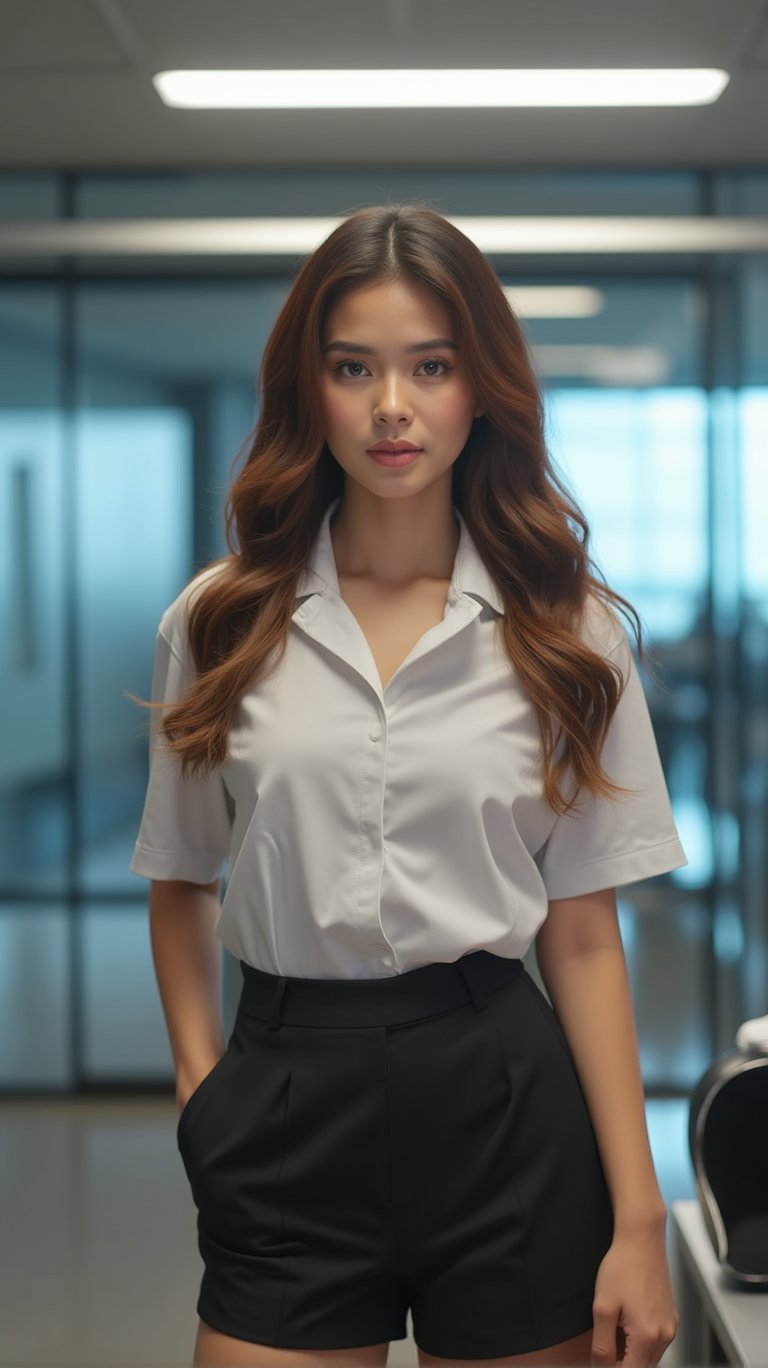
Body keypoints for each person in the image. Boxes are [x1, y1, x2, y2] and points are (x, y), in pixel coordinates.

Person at [128, 203, 687, 1368]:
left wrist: (639, 1216)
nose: (392, 406)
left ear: (479, 388)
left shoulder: (567, 631)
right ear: (310, 390)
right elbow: (178, 872)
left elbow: (584, 935)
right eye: (354, 368)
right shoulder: (221, 618)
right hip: (284, 1096)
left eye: (430, 366)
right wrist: (200, 1085)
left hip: (501, 1097)